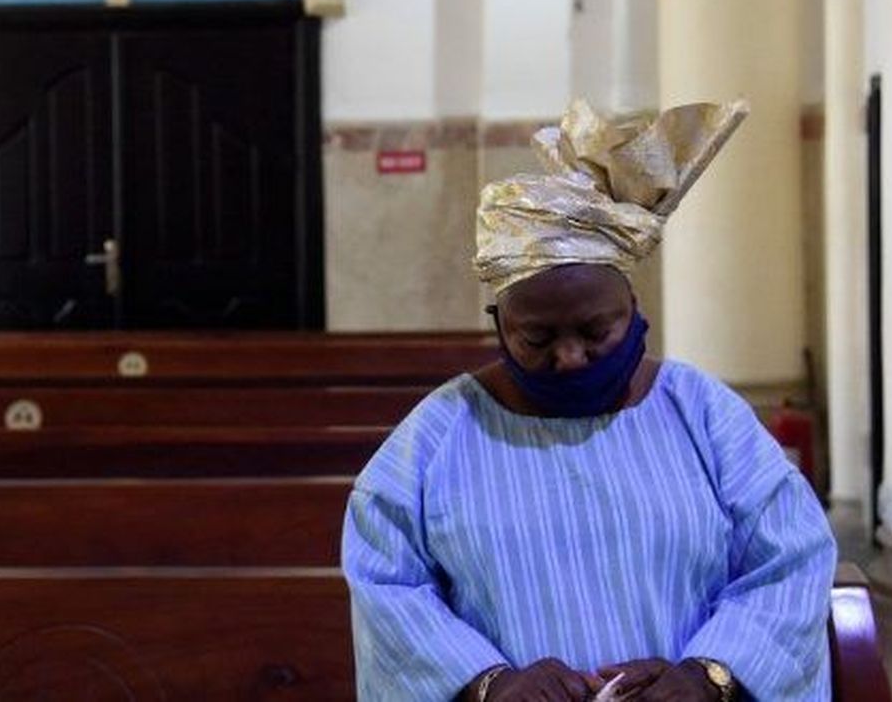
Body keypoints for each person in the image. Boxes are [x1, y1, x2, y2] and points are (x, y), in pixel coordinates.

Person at [342, 99, 836, 702]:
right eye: (538, 338)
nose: (571, 357)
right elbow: (387, 584)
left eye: (596, 331)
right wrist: (489, 682)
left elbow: (791, 560)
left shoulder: (703, 413)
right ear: (500, 326)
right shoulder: (440, 434)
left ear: (633, 310)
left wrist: (708, 674)